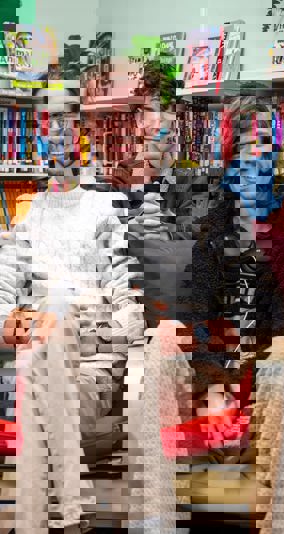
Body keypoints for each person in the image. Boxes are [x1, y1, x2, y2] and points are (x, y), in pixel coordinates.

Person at [0, 79, 147, 532]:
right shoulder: (29, 217)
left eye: (66, 126)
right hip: (38, 355)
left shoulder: (105, 209)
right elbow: (4, 288)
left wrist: (125, 347)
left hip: (89, 354)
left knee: (42, 371)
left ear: (82, 136)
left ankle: (41, 517)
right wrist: (9, 321)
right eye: (48, 127)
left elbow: (125, 296)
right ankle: (70, 510)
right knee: (38, 362)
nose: (57, 138)